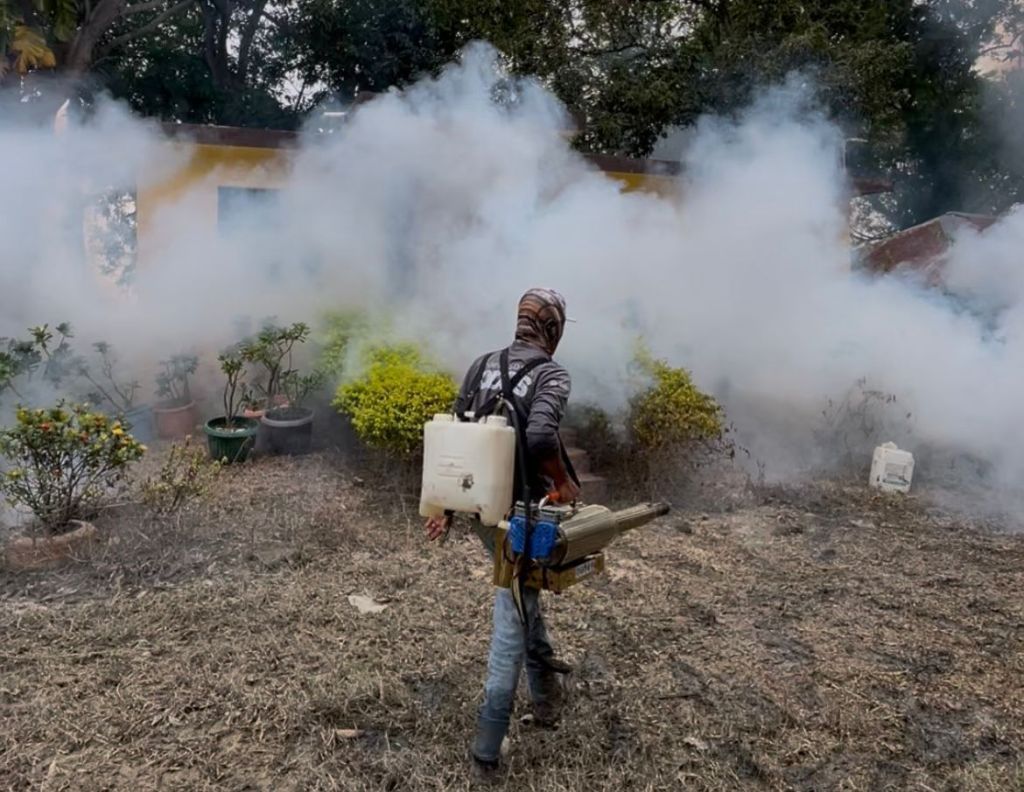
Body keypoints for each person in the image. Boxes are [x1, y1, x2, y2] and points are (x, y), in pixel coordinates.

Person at [425, 287, 581, 779]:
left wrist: (448, 509)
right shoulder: (552, 373)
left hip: (482, 511)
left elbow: (459, 433)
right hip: (523, 518)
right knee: (510, 621)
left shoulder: (479, 365)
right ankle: (486, 751)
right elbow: (538, 435)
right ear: (552, 330)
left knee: (524, 599)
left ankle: (546, 699)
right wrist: (561, 481)